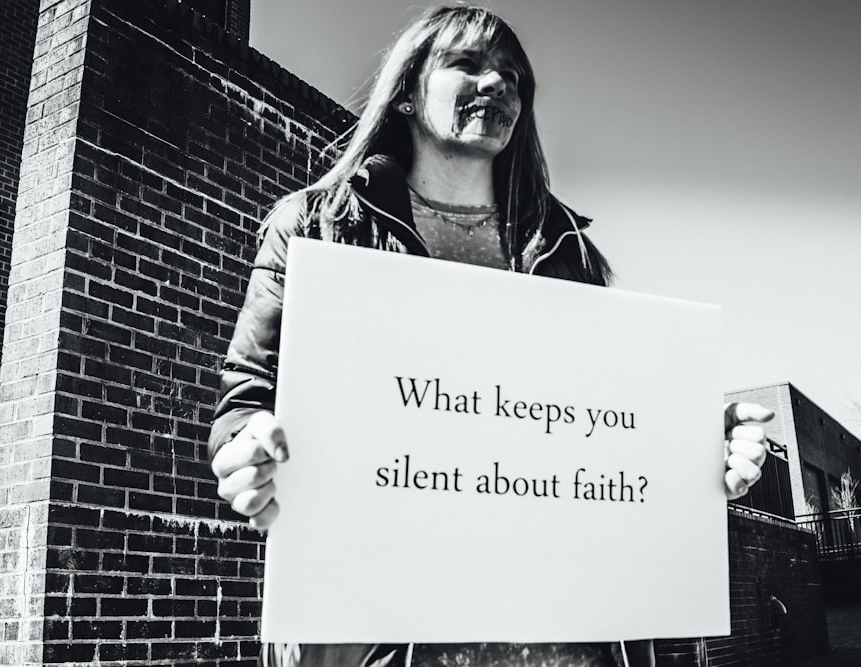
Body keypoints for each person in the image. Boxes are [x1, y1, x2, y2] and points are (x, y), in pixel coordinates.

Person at [208, 5, 772, 667]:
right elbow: (243, 403)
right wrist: (245, 450)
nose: (498, 83)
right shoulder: (317, 223)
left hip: (566, 640)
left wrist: (700, 448)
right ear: (411, 89)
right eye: (469, 64)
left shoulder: (565, 251)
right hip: (383, 641)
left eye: (513, 76)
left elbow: (600, 419)